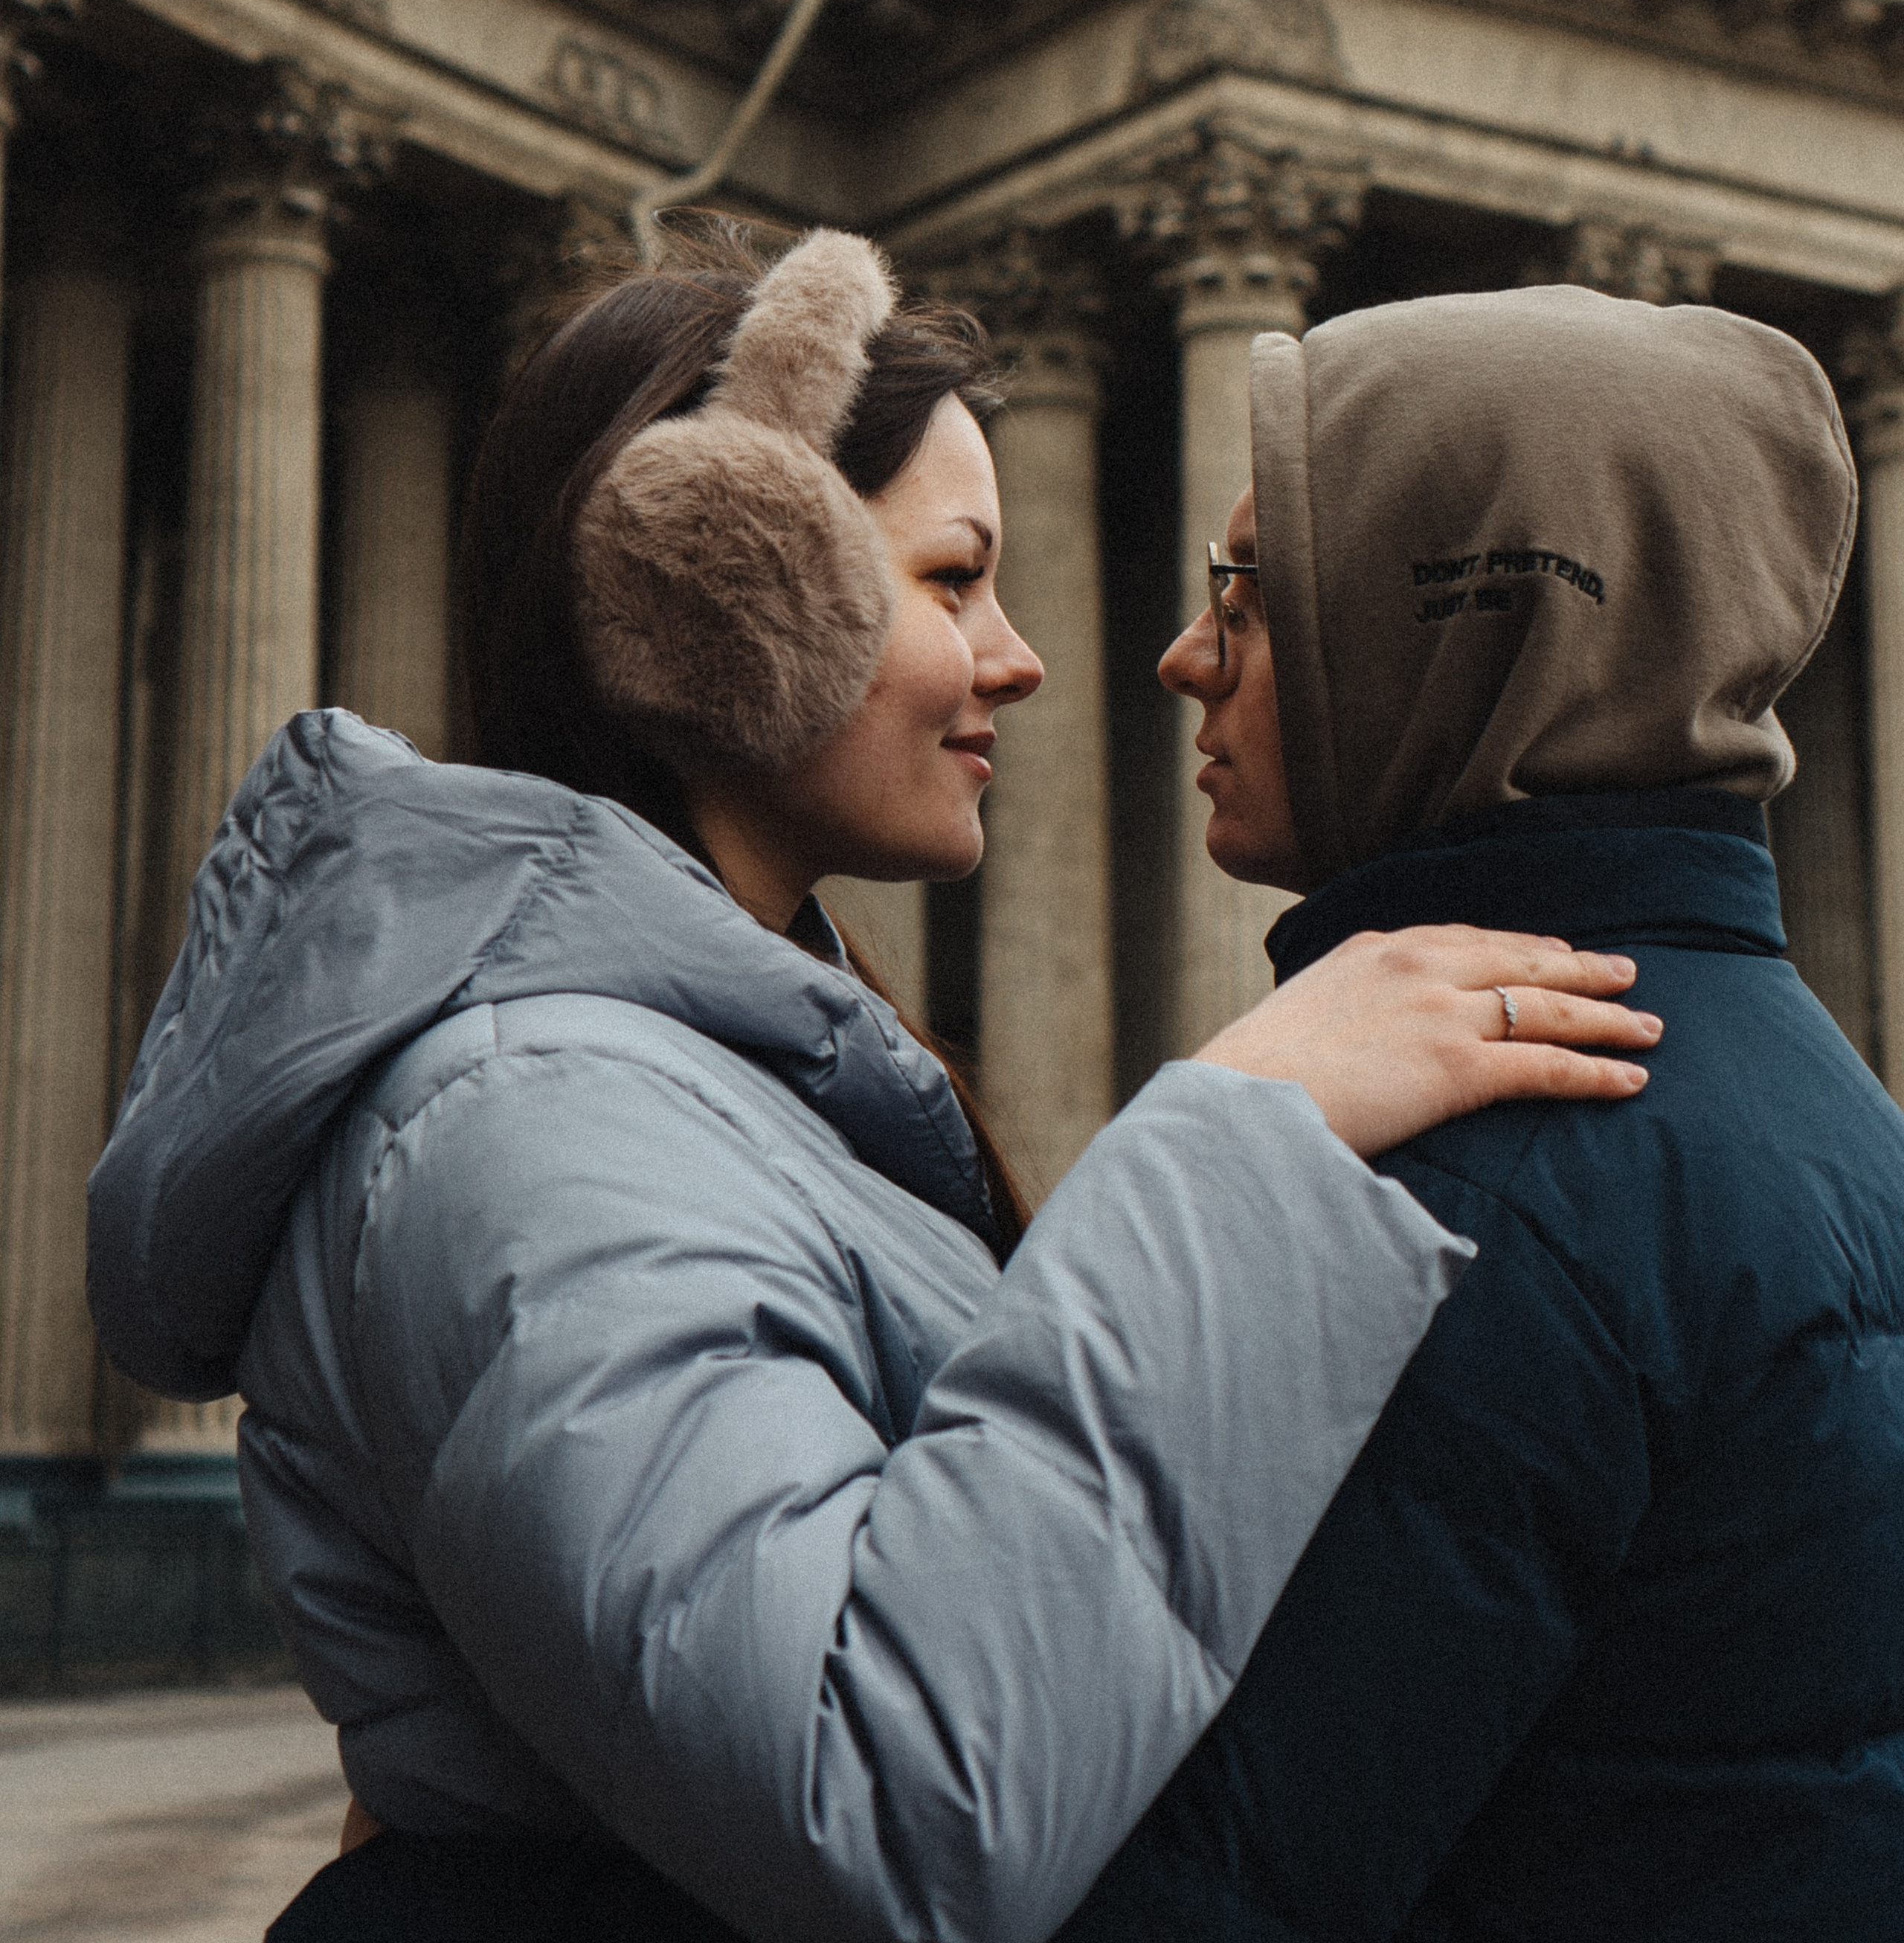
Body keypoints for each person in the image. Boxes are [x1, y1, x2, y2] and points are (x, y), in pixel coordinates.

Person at [87, 228, 1653, 1943]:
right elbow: (886, 1807)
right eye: (953, 579)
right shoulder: (531, 1125)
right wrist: (1235, 1151)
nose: (1022, 658)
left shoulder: (694, 1078)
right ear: (721, 596)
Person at [1080, 282, 1904, 1942]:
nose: (1181, 659)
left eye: (1244, 596)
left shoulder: (1484, 1179)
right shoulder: (1810, 1090)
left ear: (1432, 631)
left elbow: (1211, 1882)